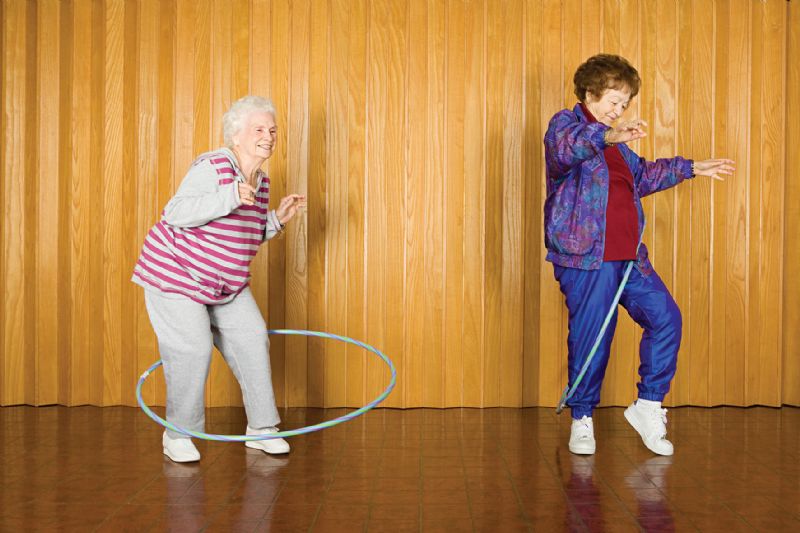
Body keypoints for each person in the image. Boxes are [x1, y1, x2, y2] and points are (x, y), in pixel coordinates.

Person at [543, 54, 734, 456]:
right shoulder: (567, 126)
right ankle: (582, 419)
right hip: (586, 257)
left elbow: (642, 176)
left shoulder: (620, 149)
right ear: (591, 91)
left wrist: (691, 168)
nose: (619, 110)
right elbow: (567, 149)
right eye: (614, 100)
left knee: (666, 318)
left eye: (624, 103)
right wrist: (608, 135)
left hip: (629, 257)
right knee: (593, 337)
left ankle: (648, 406)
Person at [132, 95, 306, 462]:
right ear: (236, 135)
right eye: (259, 129)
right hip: (177, 275)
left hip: (223, 283)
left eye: (272, 130)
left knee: (253, 337)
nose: (269, 136)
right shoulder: (213, 166)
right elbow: (176, 212)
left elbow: (241, 238)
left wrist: (276, 219)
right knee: (192, 349)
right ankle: (178, 434)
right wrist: (228, 195)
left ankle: (261, 429)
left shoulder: (261, 180)